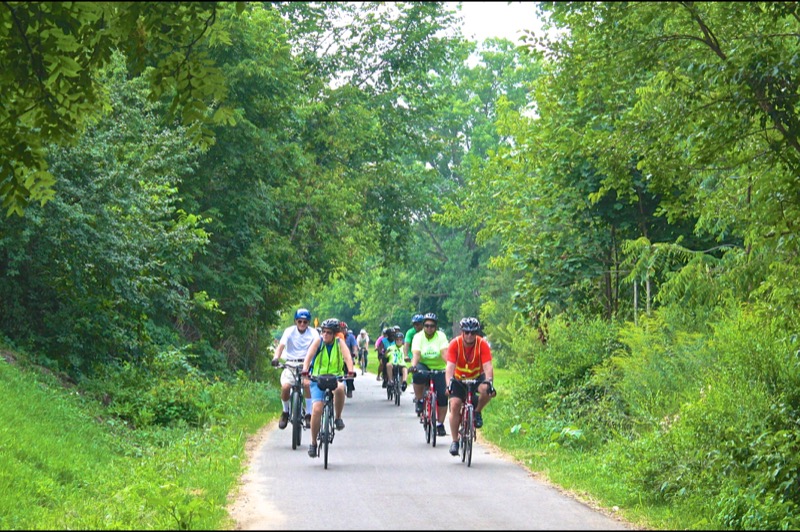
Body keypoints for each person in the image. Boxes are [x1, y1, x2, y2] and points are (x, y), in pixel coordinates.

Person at [302, 318, 356, 458]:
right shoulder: (318, 342)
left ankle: (338, 417)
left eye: (329, 333)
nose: (325, 335)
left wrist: (350, 371)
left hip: (335, 377)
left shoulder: (340, 343)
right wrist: (305, 371)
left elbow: (347, 357)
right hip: (318, 378)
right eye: (323, 332)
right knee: (317, 409)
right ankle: (313, 443)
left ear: (335, 334)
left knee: (339, 389)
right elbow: (309, 356)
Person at [445, 317, 496, 456]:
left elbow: (488, 366)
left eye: (472, 333)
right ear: (462, 332)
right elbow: (449, 367)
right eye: (466, 332)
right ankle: (455, 441)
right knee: (455, 404)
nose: (469, 336)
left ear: (476, 333)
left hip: (476, 377)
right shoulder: (455, 344)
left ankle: (477, 412)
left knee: (487, 390)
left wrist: (489, 381)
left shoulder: (482, 344)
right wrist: (449, 384)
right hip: (459, 378)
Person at [271, 308, 319, 430]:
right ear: (295, 321)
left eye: (305, 322)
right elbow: (281, 346)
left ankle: (308, 414)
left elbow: (318, 347)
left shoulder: (313, 333)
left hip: (306, 364)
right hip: (291, 364)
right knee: (286, 387)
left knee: (307, 384)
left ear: (308, 322)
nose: (302, 324)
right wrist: (276, 357)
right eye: (299, 321)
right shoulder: (289, 331)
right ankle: (285, 412)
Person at [410, 312, 449, 437]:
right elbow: (416, 354)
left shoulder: (441, 336)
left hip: (439, 367)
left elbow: (444, 353)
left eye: (432, 326)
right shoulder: (418, 337)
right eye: (426, 325)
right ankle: (420, 400)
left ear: (436, 327)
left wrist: (450, 366)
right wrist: (414, 366)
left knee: (443, 395)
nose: (429, 328)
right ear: (423, 326)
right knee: (417, 375)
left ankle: (440, 424)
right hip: (424, 364)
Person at [341, 322, 358, 398]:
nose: (342, 331)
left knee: (350, 373)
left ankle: (350, 389)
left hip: (348, 357)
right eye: (341, 329)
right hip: (338, 358)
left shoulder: (350, 337)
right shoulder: (336, 337)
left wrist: (354, 353)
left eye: (344, 329)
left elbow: (354, 346)